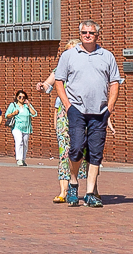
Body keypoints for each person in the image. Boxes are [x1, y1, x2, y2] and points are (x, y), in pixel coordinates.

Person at [52, 20, 123, 209]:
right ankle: (73, 184)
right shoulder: (69, 55)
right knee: (75, 148)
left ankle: (90, 193)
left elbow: (115, 82)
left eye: (91, 33)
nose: (87, 35)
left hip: (99, 111)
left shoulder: (107, 56)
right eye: (84, 32)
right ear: (80, 34)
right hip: (76, 110)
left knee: (95, 153)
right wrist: (67, 105)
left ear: (97, 35)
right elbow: (59, 81)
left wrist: (110, 107)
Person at [44, 61, 89, 203]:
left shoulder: (88, 67)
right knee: (64, 153)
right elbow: (48, 85)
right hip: (65, 115)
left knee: (86, 152)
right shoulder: (61, 68)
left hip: (84, 113)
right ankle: (63, 191)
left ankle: (92, 190)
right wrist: (42, 86)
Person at [6, 89, 37, 166]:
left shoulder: (27, 106)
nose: (22, 99)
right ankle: (19, 159)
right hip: (17, 127)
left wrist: (29, 104)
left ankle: (23, 159)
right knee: (19, 141)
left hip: (26, 128)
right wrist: (13, 113)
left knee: (25, 143)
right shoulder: (13, 105)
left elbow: (34, 113)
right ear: (17, 97)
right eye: (20, 97)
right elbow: (7, 115)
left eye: (23, 97)